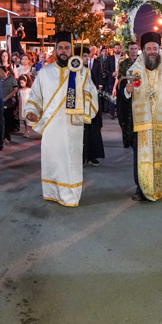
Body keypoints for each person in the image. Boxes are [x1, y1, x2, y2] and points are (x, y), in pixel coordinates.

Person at [24, 32, 99, 207]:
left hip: (72, 126)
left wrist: (82, 100)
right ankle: (52, 193)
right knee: (53, 161)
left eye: (67, 47)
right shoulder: (45, 72)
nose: (64, 51)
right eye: (60, 47)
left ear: (72, 49)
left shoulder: (82, 72)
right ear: (55, 50)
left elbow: (92, 97)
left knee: (70, 161)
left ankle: (71, 196)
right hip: (51, 127)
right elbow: (35, 96)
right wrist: (32, 112)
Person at [118, 32, 162, 201]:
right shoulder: (134, 71)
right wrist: (127, 91)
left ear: (159, 49)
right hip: (141, 124)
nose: (152, 51)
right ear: (143, 50)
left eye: (155, 48)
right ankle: (142, 189)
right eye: (148, 48)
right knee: (142, 159)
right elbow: (122, 96)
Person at [84, 47, 105, 166]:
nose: (86, 58)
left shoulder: (88, 71)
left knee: (92, 131)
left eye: (87, 56)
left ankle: (92, 155)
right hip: (78, 108)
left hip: (90, 105)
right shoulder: (71, 71)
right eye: (84, 56)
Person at [1, 64, 19, 142]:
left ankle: (7, 135)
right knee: (0, 120)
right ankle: (2, 135)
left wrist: (7, 97)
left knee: (7, 119)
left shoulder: (11, 78)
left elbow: (15, 89)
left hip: (8, 102)